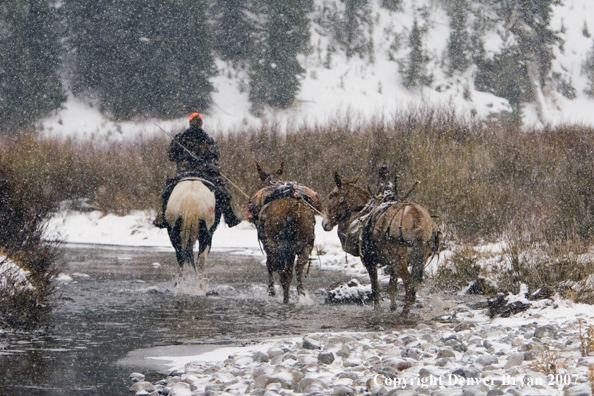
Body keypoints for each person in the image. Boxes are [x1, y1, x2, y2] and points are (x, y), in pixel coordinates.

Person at [153, 113, 242, 228]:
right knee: (224, 193)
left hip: (183, 175)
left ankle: (162, 218)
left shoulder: (179, 138)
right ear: (201, 123)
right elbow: (215, 157)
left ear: (190, 123)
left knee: (166, 193)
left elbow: (171, 156)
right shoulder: (209, 139)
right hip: (205, 175)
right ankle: (231, 217)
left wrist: (183, 156)